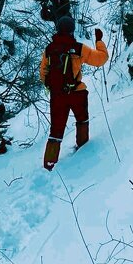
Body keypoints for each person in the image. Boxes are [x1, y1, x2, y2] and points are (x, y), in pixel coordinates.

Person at [39, 15, 109, 170]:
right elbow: (101, 59)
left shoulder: (49, 50)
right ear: (72, 30)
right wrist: (99, 41)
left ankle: (49, 163)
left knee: (56, 130)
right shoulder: (78, 48)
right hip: (77, 92)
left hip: (57, 95)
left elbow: (43, 73)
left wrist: (54, 86)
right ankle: (83, 149)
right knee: (82, 120)